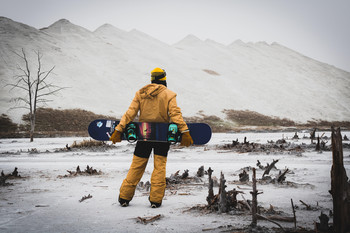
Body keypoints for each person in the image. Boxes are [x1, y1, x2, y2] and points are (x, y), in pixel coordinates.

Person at [110, 67, 193, 208]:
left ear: (152, 79)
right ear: (164, 79)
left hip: (144, 135)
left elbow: (130, 113)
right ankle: (155, 200)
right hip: (162, 137)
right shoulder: (169, 94)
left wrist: (119, 129)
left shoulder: (141, 93)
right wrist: (184, 131)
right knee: (159, 168)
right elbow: (175, 114)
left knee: (136, 167)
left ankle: (124, 197)